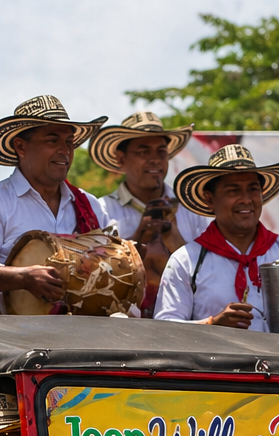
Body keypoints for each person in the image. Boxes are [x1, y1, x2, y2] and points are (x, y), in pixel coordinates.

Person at [156, 145, 279, 338]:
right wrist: (212, 324)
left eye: (253, 189)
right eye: (233, 191)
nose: (246, 199)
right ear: (210, 199)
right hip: (217, 368)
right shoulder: (186, 261)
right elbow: (164, 330)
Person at [0, 96, 108, 315]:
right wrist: (22, 278)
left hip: (77, 339)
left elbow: (108, 269)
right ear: (21, 147)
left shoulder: (90, 205)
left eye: (69, 142)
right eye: (53, 141)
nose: (65, 150)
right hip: (6, 341)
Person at [88, 112, 210, 315]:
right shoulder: (102, 211)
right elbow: (95, 281)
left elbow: (210, 275)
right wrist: (135, 243)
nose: (155, 160)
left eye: (161, 152)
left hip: (189, 323)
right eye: (143, 152)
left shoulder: (191, 210)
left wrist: (177, 242)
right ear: (121, 159)